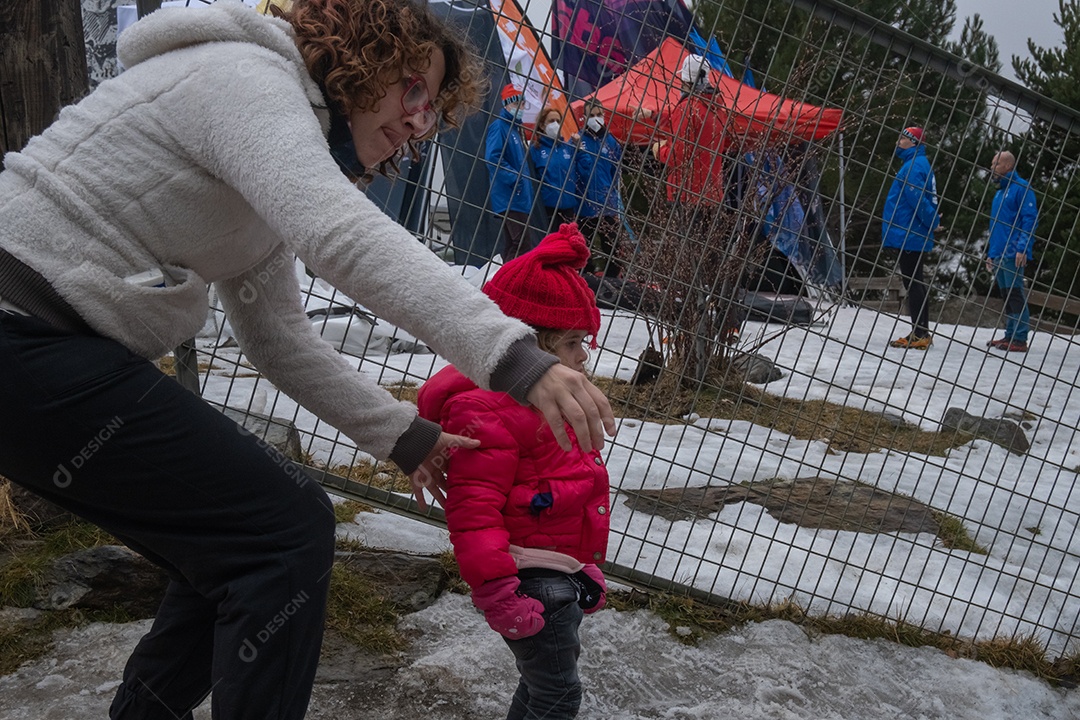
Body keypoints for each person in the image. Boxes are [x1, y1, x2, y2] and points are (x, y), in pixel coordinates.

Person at [0, 2, 615, 718]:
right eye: (414, 90)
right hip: (26, 330)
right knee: (284, 533)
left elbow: (278, 338)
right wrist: (516, 358)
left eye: (431, 112)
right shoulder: (243, 78)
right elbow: (339, 233)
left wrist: (406, 436)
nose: (418, 121)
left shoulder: (262, 169)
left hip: (46, 349)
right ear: (365, 56)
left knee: (234, 547)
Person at [417, 224, 610, 720]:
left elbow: (563, 491)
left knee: (541, 689)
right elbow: (474, 512)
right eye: (572, 342)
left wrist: (579, 564)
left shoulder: (545, 404)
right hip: (526, 581)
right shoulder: (487, 413)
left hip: (554, 573)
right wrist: (496, 591)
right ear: (533, 346)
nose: (583, 355)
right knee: (558, 696)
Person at [881, 126, 941, 350]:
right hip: (911, 231)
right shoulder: (918, 164)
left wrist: (932, 221)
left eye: (903, 138)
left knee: (913, 282)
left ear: (914, 142)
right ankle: (920, 331)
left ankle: (919, 333)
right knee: (915, 281)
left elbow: (917, 199)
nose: (898, 141)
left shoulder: (913, 166)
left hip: (909, 232)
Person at [651, 54, 726, 223]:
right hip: (712, 193)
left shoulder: (688, 108)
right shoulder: (716, 108)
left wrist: (659, 150)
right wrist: (653, 115)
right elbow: (689, 130)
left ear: (685, 79)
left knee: (685, 239)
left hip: (687, 193)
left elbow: (678, 156)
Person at [985, 150, 1038, 353]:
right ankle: (1010, 334)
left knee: (1015, 294)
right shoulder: (1000, 192)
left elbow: (1029, 218)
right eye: (992, 164)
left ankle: (1020, 337)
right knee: (1007, 294)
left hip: (1013, 251)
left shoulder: (1021, 188)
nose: (992, 168)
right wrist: (991, 253)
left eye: (996, 164)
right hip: (999, 252)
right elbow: (996, 226)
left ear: (1008, 166)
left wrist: (1022, 248)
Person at [576, 98, 627, 277]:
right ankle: (586, 279)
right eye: (592, 115)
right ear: (584, 117)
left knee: (613, 247)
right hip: (584, 204)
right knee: (584, 248)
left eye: (599, 114)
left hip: (607, 203)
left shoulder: (611, 142)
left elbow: (615, 172)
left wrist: (613, 197)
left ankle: (613, 280)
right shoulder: (578, 140)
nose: (596, 118)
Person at [485, 84, 536, 260]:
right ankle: (512, 275)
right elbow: (492, 158)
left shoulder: (514, 129)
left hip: (517, 195)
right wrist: (515, 178)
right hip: (510, 195)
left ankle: (505, 274)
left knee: (514, 243)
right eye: (516, 103)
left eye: (522, 103)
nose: (520, 107)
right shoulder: (500, 127)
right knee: (521, 243)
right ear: (506, 104)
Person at [530, 105, 581, 232]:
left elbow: (583, 170)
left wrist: (580, 149)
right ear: (542, 125)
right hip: (547, 209)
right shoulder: (535, 150)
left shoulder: (567, 147)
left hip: (568, 208)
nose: (555, 124)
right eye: (551, 121)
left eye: (558, 121)